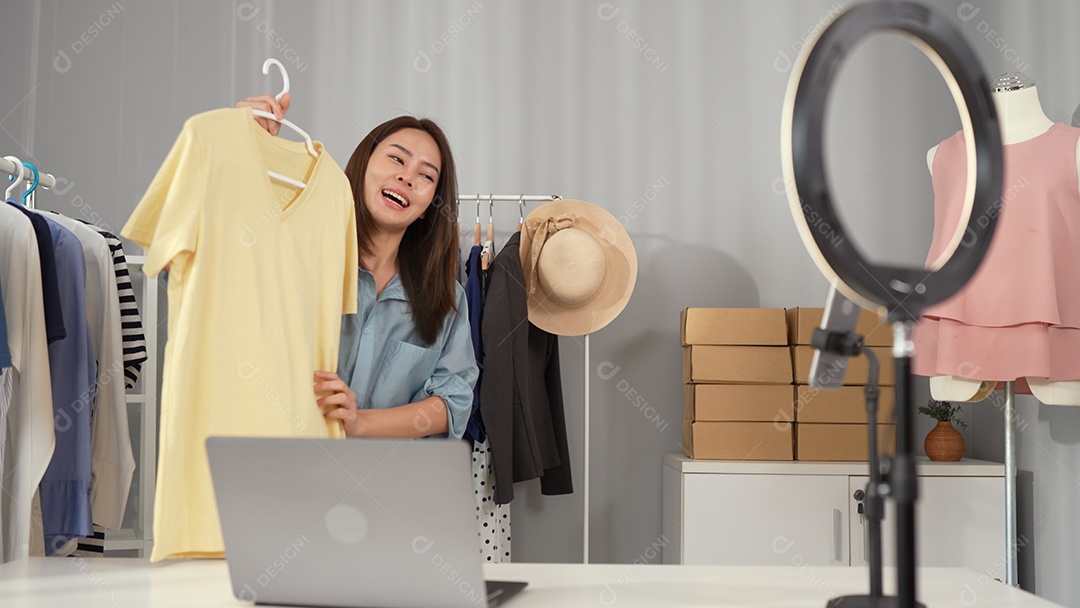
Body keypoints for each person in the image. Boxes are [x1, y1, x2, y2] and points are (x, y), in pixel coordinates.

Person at [238, 92, 479, 438]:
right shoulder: (296, 257)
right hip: (284, 469)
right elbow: (216, 272)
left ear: (429, 205)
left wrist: (360, 422)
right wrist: (238, 142)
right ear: (364, 163)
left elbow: (453, 399)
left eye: (426, 176)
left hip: (385, 486)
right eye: (396, 159)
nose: (407, 178)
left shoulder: (445, 299)